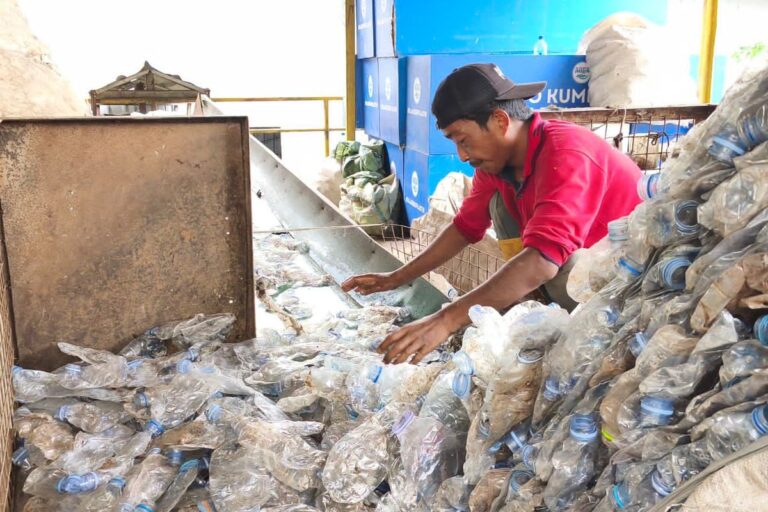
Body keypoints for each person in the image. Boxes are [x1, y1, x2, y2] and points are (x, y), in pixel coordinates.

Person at [342, 63, 642, 364]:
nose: (461, 155)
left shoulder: (566, 154)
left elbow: (542, 260)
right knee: (499, 203)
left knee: (556, 261)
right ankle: (533, 298)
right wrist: (397, 277)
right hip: (567, 264)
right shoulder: (499, 162)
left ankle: (575, 330)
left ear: (500, 121)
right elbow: (465, 228)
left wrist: (444, 320)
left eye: (463, 140)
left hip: (627, 285)